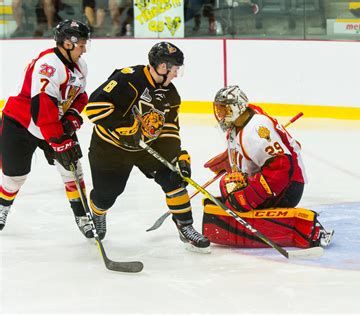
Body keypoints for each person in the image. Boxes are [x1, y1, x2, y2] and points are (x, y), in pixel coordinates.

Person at [84, 42, 210, 252]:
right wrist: (127, 128)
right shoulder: (128, 78)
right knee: (107, 195)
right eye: (175, 69)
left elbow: (169, 130)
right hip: (110, 148)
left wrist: (177, 158)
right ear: (162, 66)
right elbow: (95, 107)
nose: (176, 75)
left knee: (174, 178)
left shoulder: (171, 95)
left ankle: (185, 226)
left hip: (144, 148)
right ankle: (98, 212)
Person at [202, 85, 333, 248]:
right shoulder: (237, 125)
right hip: (271, 181)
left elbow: (282, 166)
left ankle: (298, 229)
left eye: (224, 109)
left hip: (287, 187)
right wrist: (230, 160)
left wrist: (247, 196)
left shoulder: (256, 129)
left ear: (237, 108)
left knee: (231, 187)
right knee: (229, 185)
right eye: (218, 109)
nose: (220, 114)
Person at [0, 20, 92, 238]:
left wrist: (72, 118)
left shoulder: (80, 66)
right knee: (15, 177)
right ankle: (2, 208)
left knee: (72, 170)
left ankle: (83, 216)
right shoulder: (48, 65)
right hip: (21, 122)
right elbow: (42, 107)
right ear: (68, 44)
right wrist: (59, 140)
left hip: (52, 122)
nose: (85, 48)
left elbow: (80, 96)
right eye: (81, 43)